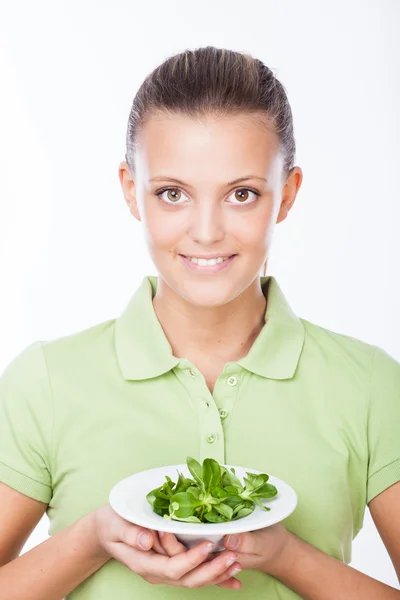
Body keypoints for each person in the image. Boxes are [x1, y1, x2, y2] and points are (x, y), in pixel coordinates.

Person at [0, 45, 399, 600]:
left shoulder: (373, 386)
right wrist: (91, 538)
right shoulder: (42, 382)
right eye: (172, 193)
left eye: (242, 194)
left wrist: (288, 556)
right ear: (130, 191)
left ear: (286, 194)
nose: (207, 231)